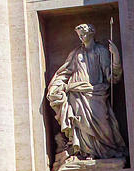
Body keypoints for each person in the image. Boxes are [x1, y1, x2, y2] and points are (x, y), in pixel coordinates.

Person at [47, 23, 127, 163]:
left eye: (83, 34)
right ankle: (86, 152)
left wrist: (116, 57)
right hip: (76, 93)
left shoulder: (101, 51)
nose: (81, 37)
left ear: (91, 33)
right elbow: (65, 71)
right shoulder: (76, 53)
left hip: (96, 92)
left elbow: (112, 76)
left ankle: (107, 151)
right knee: (81, 124)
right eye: (79, 35)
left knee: (103, 125)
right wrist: (57, 85)